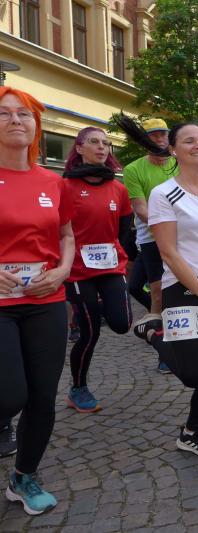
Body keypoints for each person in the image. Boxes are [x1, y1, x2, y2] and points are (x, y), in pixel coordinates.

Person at [121, 120, 198, 459]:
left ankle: (191, 433)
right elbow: (169, 253)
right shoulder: (163, 194)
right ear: (173, 150)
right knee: (194, 373)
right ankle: (153, 331)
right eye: (189, 141)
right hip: (184, 290)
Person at [0, 86, 75, 514]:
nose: (16, 120)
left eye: (24, 114)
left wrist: (63, 270)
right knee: (9, 395)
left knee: (42, 397)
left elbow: (66, 235)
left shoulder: (52, 181)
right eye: (5, 113)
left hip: (46, 299)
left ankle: (23, 477)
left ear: (36, 126)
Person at [62, 127, 134, 413]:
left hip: (111, 267)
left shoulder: (118, 188)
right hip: (78, 271)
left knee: (122, 323)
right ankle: (78, 388)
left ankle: (94, 306)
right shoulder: (64, 186)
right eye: (94, 142)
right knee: (90, 333)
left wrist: (118, 253)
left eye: (106, 143)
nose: (102, 147)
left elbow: (124, 227)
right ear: (79, 148)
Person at [120, 117, 178, 374]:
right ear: (144, 140)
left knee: (182, 288)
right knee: (158, 292)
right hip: (151, 238)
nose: (160, 139)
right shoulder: (133, 169)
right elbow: (141, 210)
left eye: (163, 134)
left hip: (182, 235)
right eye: (154, 135)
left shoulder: (178, 163)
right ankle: (165, 350)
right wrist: (169, 224)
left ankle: (183, 336)